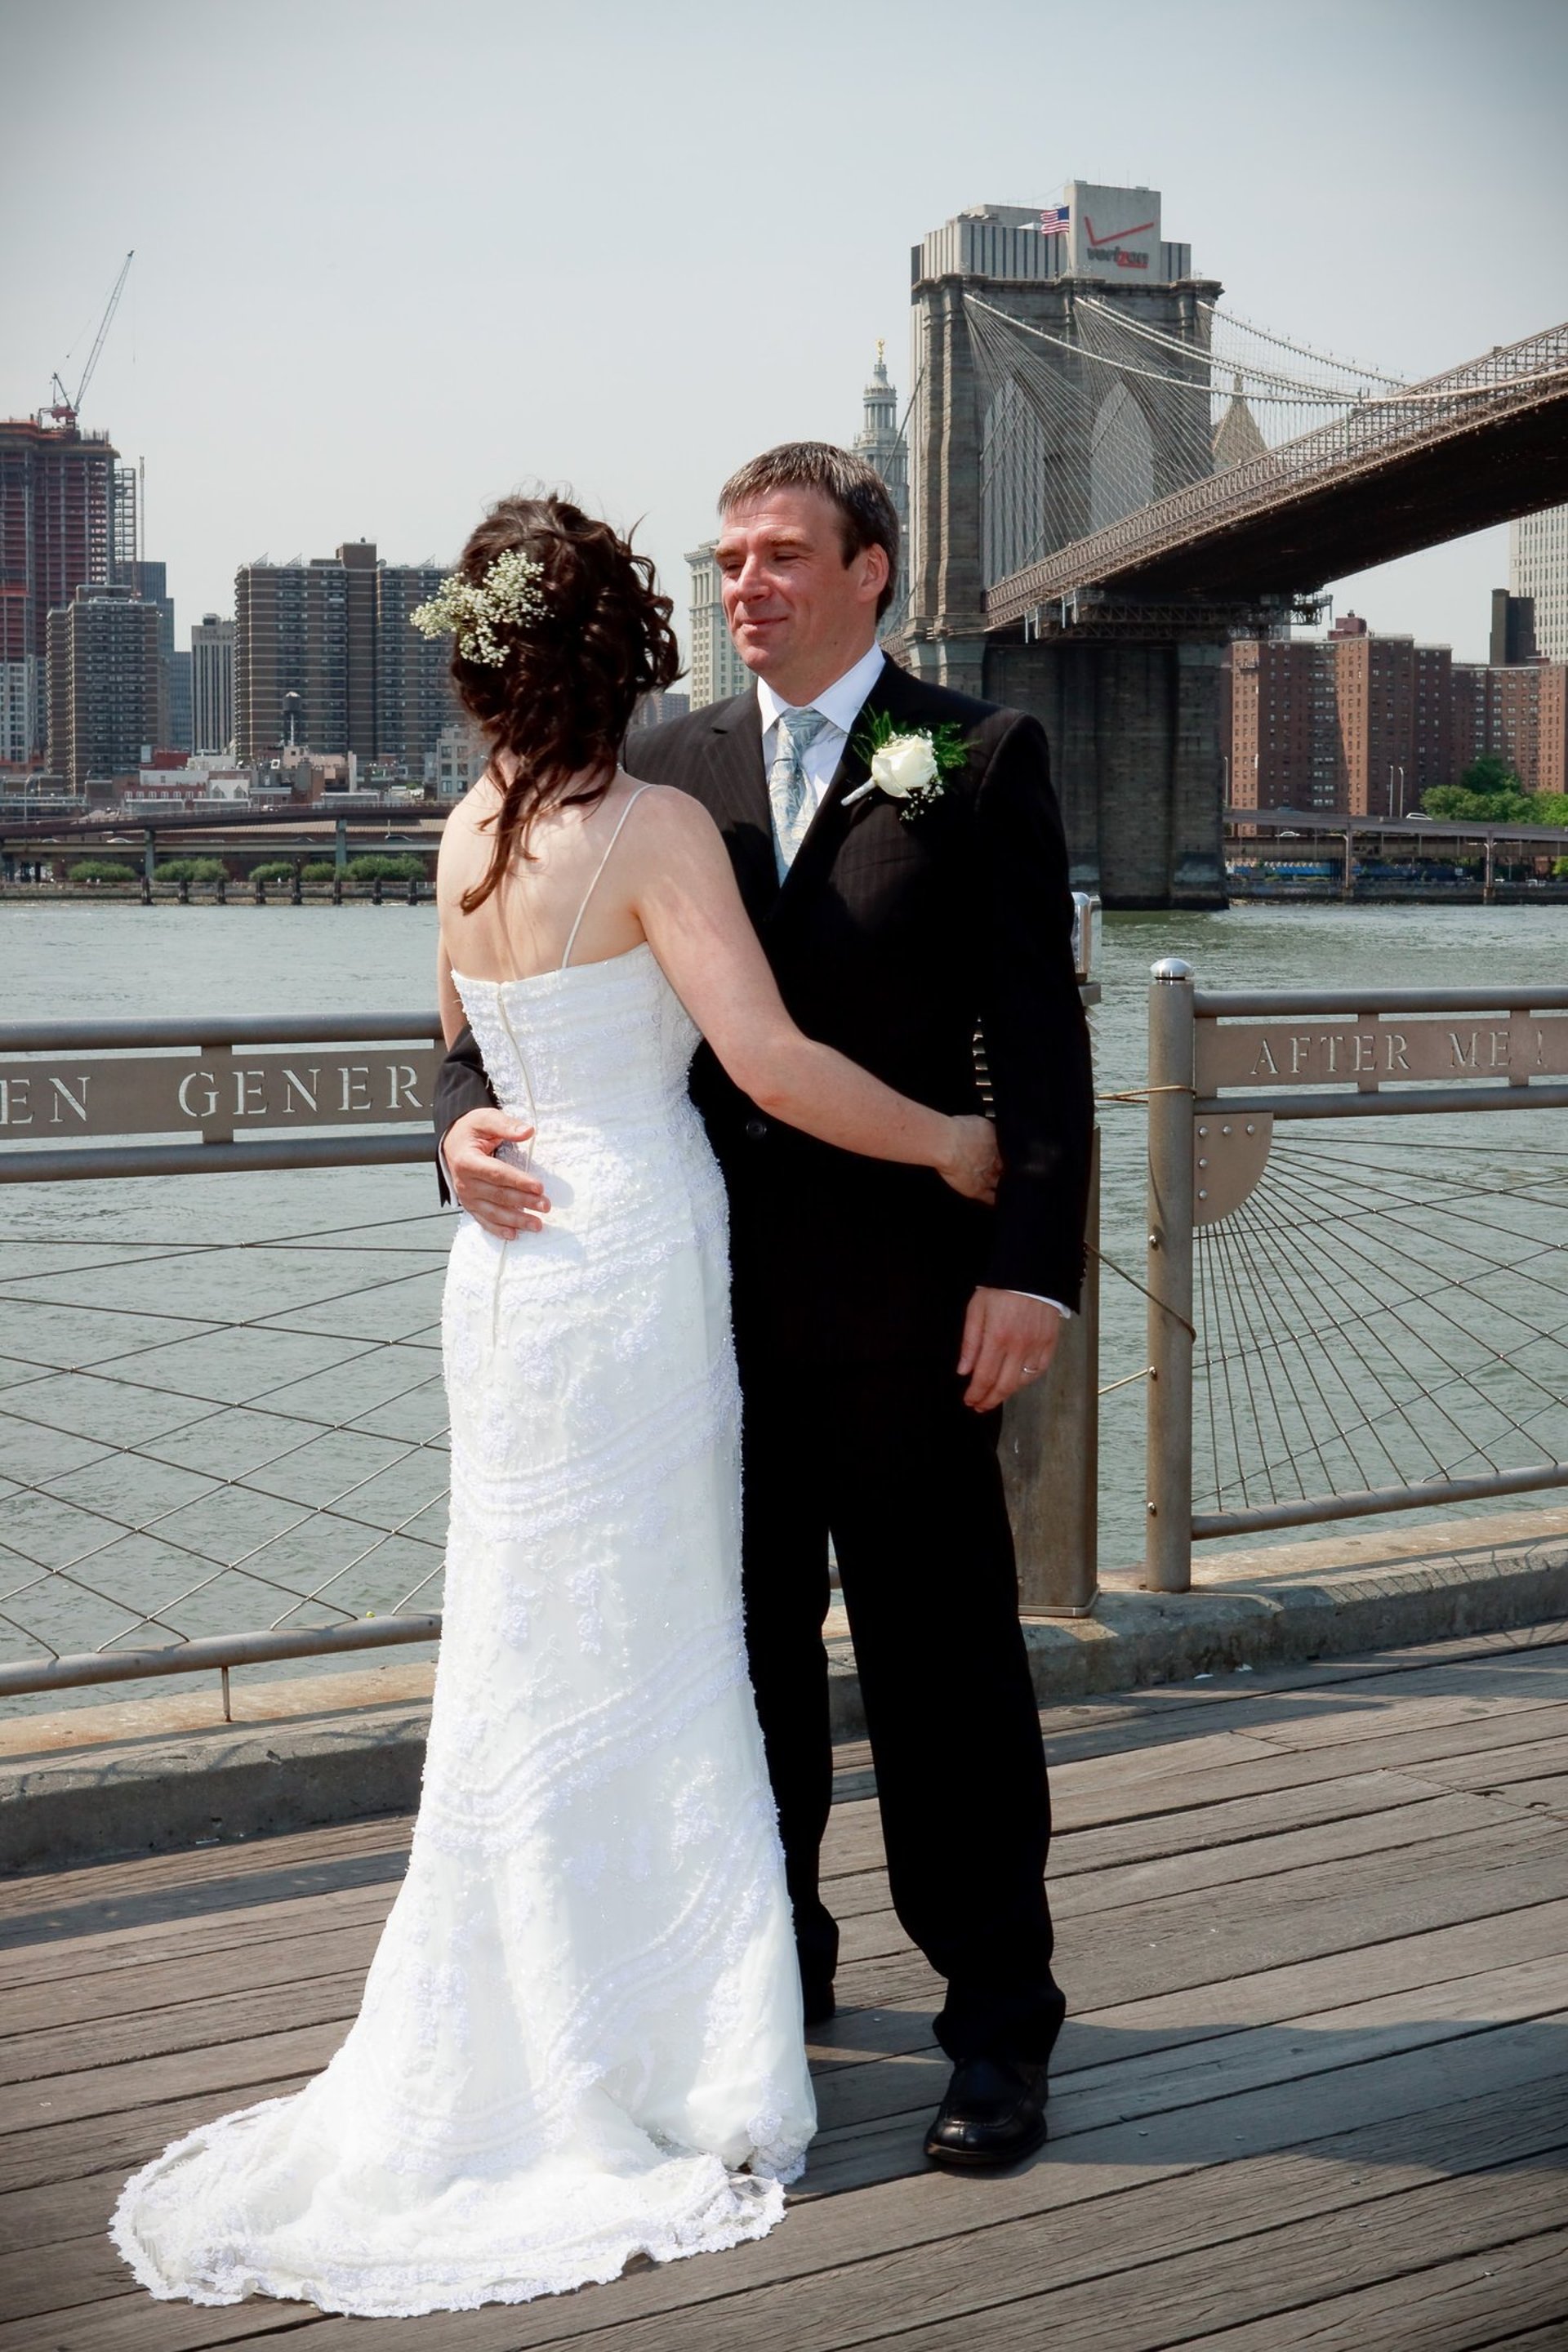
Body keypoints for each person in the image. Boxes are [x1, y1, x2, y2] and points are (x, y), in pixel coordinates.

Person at [110, 493, 1002, 2320]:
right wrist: (950, 1143)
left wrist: (458, 1135)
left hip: (510, 1280)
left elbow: (456, 1042)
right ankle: (667, 2031)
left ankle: (564, 2001)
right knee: (657, 1636)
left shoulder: (459, 831)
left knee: (538, 1643)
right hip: (633, 1262)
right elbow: (768, 1063)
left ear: (483, 663)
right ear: (621, 650)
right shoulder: (657, 825)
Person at [440, 446, 1094, 2171]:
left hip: (911, 1318)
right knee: (738, 1676)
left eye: (785, 554)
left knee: (945, 1679)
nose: (749, 584)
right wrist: (454, 1124)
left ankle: (998, 2030)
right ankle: (774, 1980)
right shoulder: (662, 770)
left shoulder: (980, 757)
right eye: (729, 559)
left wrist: (1032, 1265)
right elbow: (502, 1004)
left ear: (873, 569)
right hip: (684, 1325)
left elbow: (1041, 1040)